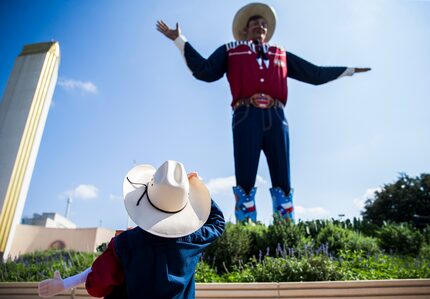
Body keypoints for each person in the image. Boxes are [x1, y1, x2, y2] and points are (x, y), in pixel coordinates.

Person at [156, 3, 371, 223]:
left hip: (277, 117)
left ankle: (285, 229)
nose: (260, 26)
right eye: (255, 23)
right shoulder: (232, 50)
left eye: (263, 24)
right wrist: (178, 39)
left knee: (282, 176)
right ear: (245, 29)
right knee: (246, 176)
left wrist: (348, 71)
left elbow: (314, 73)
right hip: (245, 115)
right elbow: (204, 70)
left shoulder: (281, 54)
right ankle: (247, 228)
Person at [38, 160, 225, 298]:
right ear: (184, 203)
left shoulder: (125, 242)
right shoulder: (193, 239)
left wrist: (64, 284)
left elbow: (98, 284)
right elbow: (217, 223)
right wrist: (197, 188)